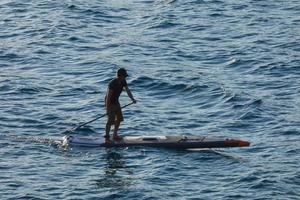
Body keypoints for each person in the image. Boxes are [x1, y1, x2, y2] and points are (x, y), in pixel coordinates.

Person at [104, 68, 136, 142]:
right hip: (110, 103)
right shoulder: (112, 83)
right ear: (119, 75)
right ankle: (107, 137)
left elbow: (128, 90)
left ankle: (115, 134)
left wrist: (132, 99)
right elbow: (108, 97)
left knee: (119, 119)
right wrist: (107, 109)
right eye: (124, 76)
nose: (125, 77)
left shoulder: (123, 81)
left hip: (116, 102)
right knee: (110, 120)